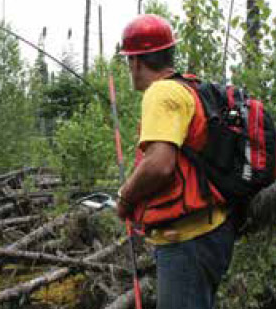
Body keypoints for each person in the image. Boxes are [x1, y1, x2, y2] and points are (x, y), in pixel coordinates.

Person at [115, 14, 236, 309]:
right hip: (209, 232)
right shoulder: (188, 87)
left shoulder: (161, 93)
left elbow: (159, 165)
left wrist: (125, 197)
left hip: (187, 240)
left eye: (128, 60)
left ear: (135, 61)